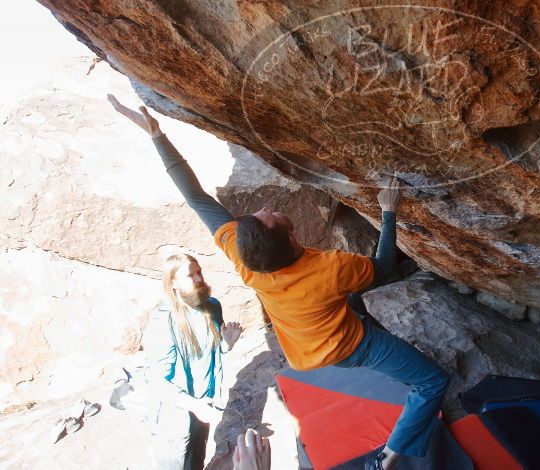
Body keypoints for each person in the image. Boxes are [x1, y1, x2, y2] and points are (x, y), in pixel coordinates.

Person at [108, 94, 449, 470]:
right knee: (433, 382)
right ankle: (387, 459)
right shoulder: (330, 268)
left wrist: (157, 135)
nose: (263, 208)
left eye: (258, 215)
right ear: (288, 237)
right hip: (351, 346)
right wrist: (388, 211)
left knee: (348, 301)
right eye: (267, 215)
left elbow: (196, 198)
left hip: (304, 352)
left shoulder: (247, 260)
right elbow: (384, 267)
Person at [143, 252, 242, 470]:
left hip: (204, 402)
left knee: (196, 461)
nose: (199, 279)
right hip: (175, 415)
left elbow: (210, 352)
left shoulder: (212, 306)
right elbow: (157, 380)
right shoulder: (163, 322)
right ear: (173, 283)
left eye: (199, 272)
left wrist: (226, 344)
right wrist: (193, 405)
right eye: (190, 275)